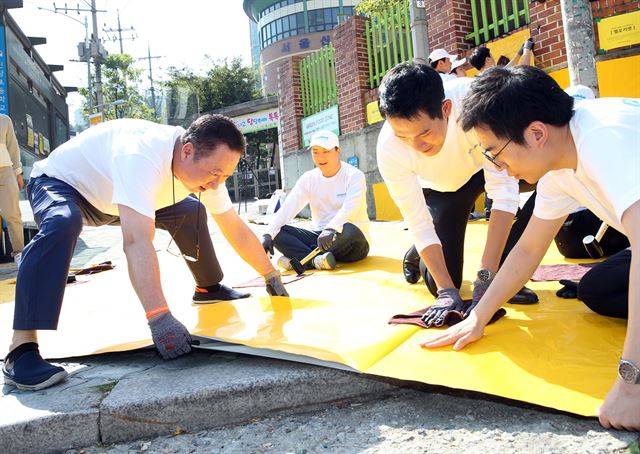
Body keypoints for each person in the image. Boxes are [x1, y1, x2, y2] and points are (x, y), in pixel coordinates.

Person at [422, 66, 640, 431]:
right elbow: (527, 251)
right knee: (598, 289)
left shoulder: (603, 138)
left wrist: (631, 384)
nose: (498, 167)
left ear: (536, 133)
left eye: (494, 153)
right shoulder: (558, 169)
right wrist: (478, 313)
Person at [2, 115, 289, 391]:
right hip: (63, 185)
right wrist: (159, 317)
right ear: (187, 151)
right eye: (215, 174)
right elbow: (137, 241)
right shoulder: (140, 155)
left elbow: (233, 226)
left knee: (192, 210)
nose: (216, 184)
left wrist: (270, 273)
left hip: (113, 197)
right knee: (63, 223)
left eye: (224, 176)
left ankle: (208, 287)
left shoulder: (205, 168)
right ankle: (21, 348)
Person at [376, 61, 538, 331]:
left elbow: (504, 194)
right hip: (443, 190)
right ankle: (418, 252)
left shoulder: (475, 102)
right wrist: (445, 290)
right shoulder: (388, 149)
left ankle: (508, 275)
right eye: (403, 136)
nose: (416, 145)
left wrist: (487, 276)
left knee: (545, 178)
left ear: (446, 109)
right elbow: (417, 220)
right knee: (440, 282)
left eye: (425, 132)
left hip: (484, 165)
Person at [261, 130, 370, 271]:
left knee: (348, 229)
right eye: (316, 152)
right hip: (320, 239)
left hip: (350, 241)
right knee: (278, 232)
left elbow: (351, 207)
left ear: (338, 151)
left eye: (326, 151)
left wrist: (331, 228)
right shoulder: (309, 179)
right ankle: (316, 261)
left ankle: (302, 258)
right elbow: (289, 206)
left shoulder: (354, 175)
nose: (321, 157)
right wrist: (268, 233)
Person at [0, 114, 24, 266]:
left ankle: (20, 256)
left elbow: (13, 148)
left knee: (13, 215)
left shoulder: (4, 120)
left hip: (5, 172)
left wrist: (18, 173)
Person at [469, 38, 534, 74]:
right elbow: (524, 71)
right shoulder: (495, 76)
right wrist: (526, 50)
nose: (493, 59)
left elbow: (506, 68)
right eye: (491, 56)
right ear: (487, 60)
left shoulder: (481, 79)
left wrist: (519, 53)